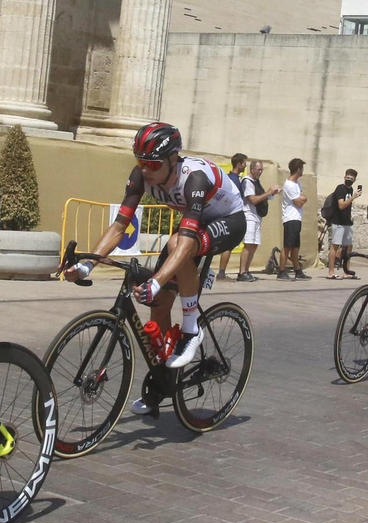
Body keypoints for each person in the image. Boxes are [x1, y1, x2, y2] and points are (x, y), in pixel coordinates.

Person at [64, 122, 246, 388]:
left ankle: (192, 326)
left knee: (174, 248)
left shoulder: (193, 179)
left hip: (229, 220)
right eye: (141, 162)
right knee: (159, 303)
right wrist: (87, 266)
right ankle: (163, 382)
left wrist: (156, 280)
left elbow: (184, 243)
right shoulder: (140, 176)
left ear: (173, 160)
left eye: (153, 164)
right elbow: (119, 226)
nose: (145, 170)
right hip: (194, 227)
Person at [235, 160, 278, 281]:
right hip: (249, 216)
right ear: (252, 169)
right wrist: (268, 192)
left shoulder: (256, 182)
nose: (260, 172)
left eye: (261, 170)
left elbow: (260, 197)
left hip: (257, 216)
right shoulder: (247, 181)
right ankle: (242, 272)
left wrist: (271, 194)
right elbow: (253, 199)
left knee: (254, 245)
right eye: (258, 170)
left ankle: (247, 270)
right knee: (248, 244)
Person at [216, 153, 248, 280]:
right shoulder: (234, 180)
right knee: (228, 245)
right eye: (244, 163)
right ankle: (221, 273)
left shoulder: (228, 177)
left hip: (224, 212)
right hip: (230, 214)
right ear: (239, 164)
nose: (245, 166)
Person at [326, 169, 360, 279]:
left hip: (347, 222)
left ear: (355, 179)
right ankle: (331, 272)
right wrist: (353, 197)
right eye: (348, 177)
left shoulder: (351, 190)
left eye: (351, 178)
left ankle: (346, 271)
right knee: (335, 245)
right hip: (338, 222)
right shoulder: (340, 188)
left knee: (348, 247)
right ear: (344, 177)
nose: (349, 180)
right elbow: (341, 205)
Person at [278, 158, 308, 280]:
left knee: (295, 247)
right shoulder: (289, 185)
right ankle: (281, 271)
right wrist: (302, 198)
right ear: (298, 169)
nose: (303, 171)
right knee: (287, 246)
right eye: (302, 168)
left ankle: (297, 270)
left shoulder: (297, 184)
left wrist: (303, 198)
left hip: (297, 219)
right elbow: (299, 203)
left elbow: (304, 197)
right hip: (290, 219)